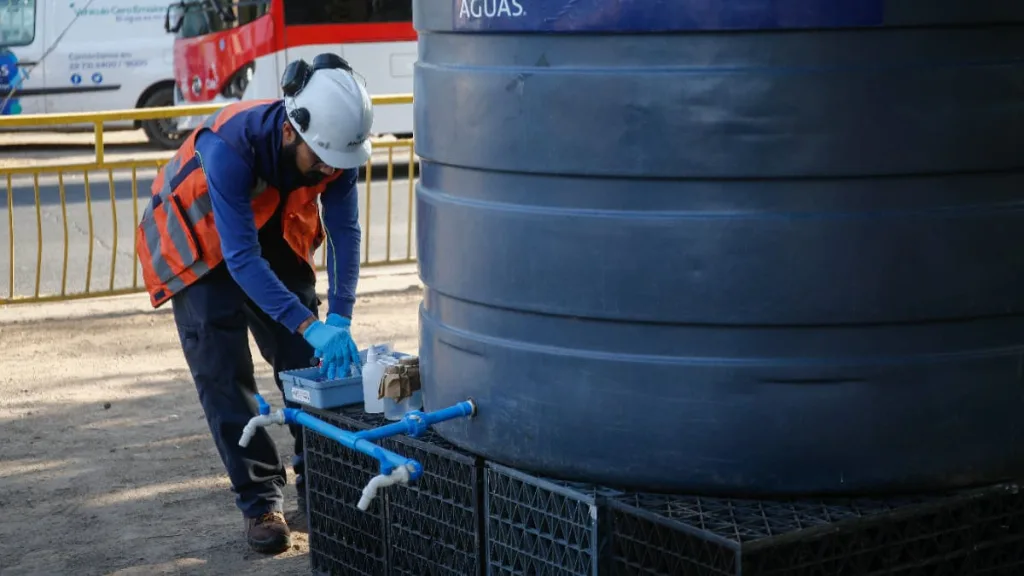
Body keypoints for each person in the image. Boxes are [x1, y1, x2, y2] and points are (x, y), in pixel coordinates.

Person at [134, 53, 371, 554]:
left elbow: (346, 231)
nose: (330, 171)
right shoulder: (230, 148)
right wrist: (308, 323)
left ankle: (322, 488)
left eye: (338, 164)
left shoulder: (334, 146)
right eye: (321, 161)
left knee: (309, 367)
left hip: (265, 236)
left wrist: (340, 314)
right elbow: (240, 260)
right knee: (226, 376)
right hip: (200, 250)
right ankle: (261, 500)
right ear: (291, 132)